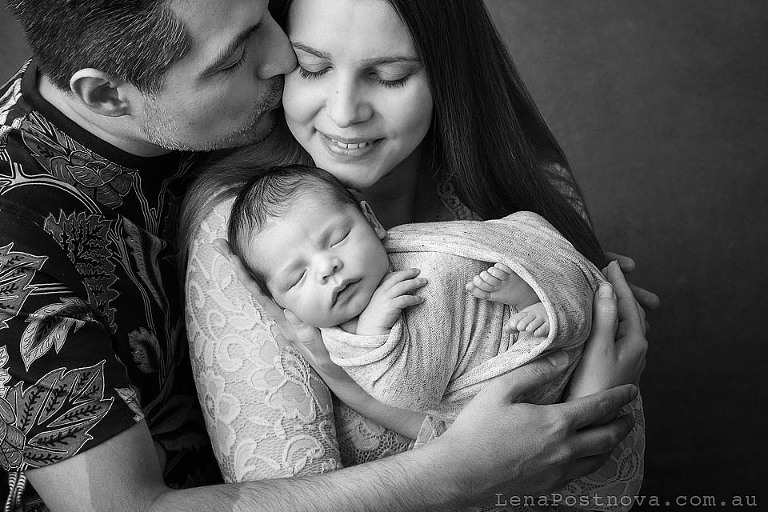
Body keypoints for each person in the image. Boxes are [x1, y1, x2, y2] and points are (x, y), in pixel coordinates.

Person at [0, 1, 649, 512]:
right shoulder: (15, 252)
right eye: (236, 56)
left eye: (265, 14)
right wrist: (457, 468)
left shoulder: (214, 101)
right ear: (108, 97)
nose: (281, 56)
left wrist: (549, 273)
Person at [227, 164, 602, 422]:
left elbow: (480, 239)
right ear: (282, 304)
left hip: (494, 304)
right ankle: (540, 314)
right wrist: (372, 331)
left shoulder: (405, 244)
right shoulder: (345, 342)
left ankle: (536, 296)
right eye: (297, 277)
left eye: (338, 238)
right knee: (539, 343)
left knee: (526, 232)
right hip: (510, 373)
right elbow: (411, 395)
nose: (326, 267)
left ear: (372, 222)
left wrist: (523, 252)